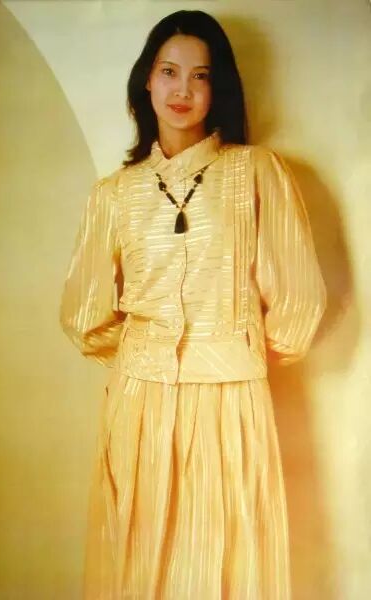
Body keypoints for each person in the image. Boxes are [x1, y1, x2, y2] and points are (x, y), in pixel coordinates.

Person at [59, 9, 326, 600]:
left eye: (200, 76)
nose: (182, 89)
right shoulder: (114, 194)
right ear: (146, 81)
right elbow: (84, 316)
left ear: (218, 87)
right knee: (139, 559)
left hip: (230, 398)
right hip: (140, 405)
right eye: (169, 71)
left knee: (226, 560)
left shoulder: (256, 173)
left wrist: (228, 350)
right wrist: (148, 358)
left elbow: (298, 305)